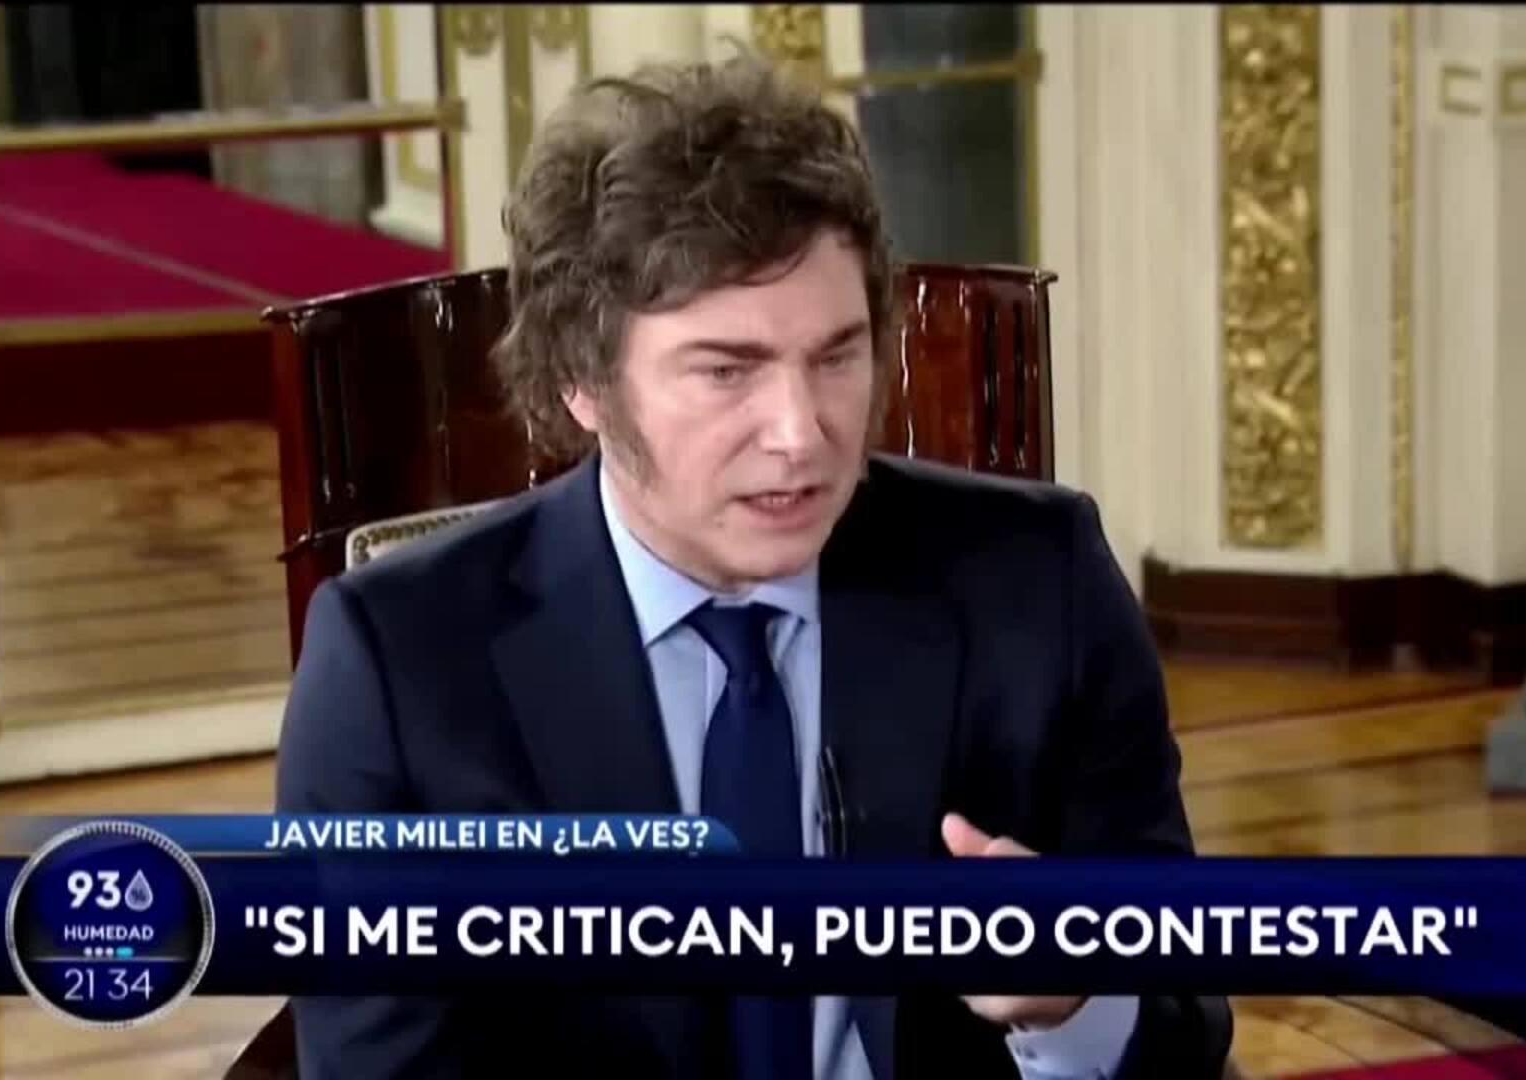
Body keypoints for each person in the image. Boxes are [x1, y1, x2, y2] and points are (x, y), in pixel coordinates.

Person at [275, 51, 1232, 1080]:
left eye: (837, 356)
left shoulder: (1040, 584)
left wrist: (1075, 998)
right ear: (582, 384)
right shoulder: (399, 668)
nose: (801, 434)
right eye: (728, 371)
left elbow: (1184, 1024)